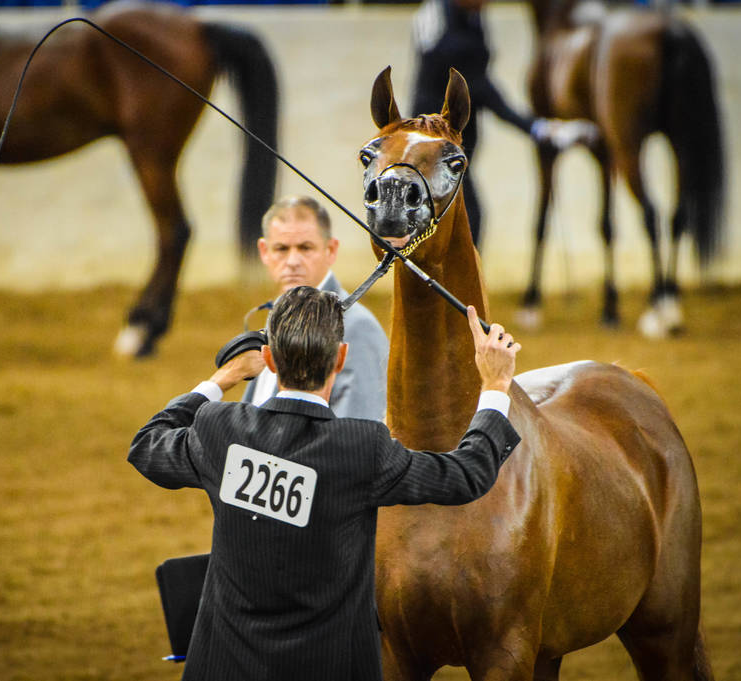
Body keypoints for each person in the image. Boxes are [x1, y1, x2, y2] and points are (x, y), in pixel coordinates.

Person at [128, 285, 522, 680]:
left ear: (268, 358)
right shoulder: (362, 449)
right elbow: (467, 474)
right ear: (340, 358)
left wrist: (223, 378)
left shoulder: (219, 429)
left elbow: (147, 445)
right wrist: (494, 386)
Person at [410, 0, 597, 246]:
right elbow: (480, 86)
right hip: (434, 143)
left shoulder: (469, 17)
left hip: (456, 142)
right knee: (464, 217)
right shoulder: (442, 24)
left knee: (467, 216)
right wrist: (536, 128)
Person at [245, 195, 388, 422]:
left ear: (331, 250)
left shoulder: (356, 327)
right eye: (281, 248)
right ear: (264, 251)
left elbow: (357, 435)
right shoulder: (279, 314)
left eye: (305, 248)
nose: (292, 261)